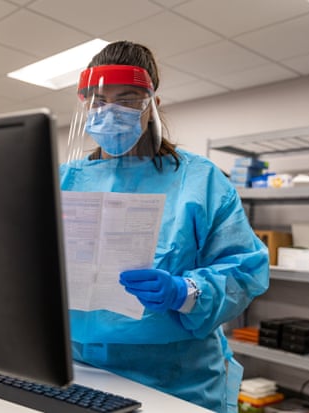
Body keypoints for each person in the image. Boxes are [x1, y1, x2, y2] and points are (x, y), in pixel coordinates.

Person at [60, 40, 269, 413]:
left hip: (176, 382)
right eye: (97, 101)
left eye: (126, 101)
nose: (110, 113)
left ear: (153, 104)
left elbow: (245, 270)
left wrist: (185, 291)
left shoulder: (198, 180)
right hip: (80, 374)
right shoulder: (65, 181)